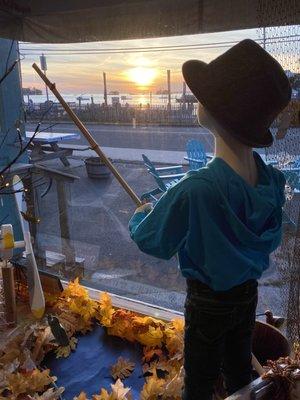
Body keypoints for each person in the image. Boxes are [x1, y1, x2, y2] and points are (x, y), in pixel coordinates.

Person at [128, 39, 291, 399]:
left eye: (204, 95)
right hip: (248, 295)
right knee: (239, 372)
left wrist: (139, 217)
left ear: (220, 113)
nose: (196, 100)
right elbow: (272, 238)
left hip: (207, 304)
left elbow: (153, 240)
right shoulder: (272, 184)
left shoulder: (196, 188)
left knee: (199, 381)